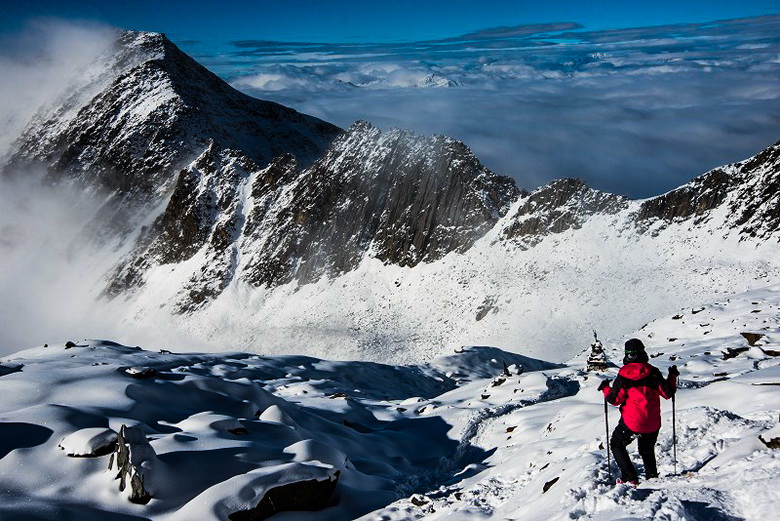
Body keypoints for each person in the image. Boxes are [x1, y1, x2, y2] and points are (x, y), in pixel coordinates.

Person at [598, 338, 679, 484]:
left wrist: (605, 388)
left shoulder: (624, 374)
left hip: (632, 422)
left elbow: (614, 400)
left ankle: (630, 477)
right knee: (646, 448)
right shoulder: (653, 372)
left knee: (617, 444)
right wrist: (672, 376)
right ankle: (652, 477)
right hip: (653, 422)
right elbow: (668, 393)